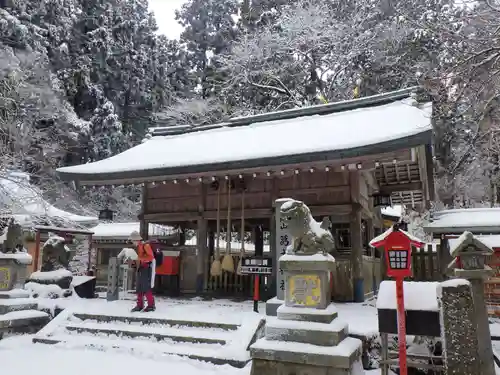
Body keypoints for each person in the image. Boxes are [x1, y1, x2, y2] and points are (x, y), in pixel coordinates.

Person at [128, 231, 156, 312]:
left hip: (146, 268)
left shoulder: (145, 246)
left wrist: (139, 259)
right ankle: (139, 305)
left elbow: (151, 257)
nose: (132, 242)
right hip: (140, 268)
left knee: (146, 287)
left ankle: (151, 305)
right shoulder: (138, 247)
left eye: (133, 241)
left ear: (136, 240)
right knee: (139, 288)